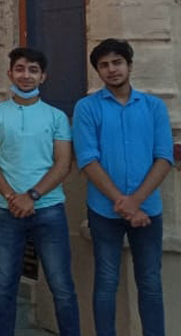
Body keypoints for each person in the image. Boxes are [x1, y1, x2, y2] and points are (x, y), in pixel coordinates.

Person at [74, 39, 172, 336]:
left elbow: (164, 157)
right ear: (98, 72)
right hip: (104, 211)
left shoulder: (154, 106)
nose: (111, 69)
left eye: (117, 62)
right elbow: (88, 160)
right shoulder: (86, 108)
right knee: (106, 281)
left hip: (148, 211)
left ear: (129, 65)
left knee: (151, 282)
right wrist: (123, 202)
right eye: (104, 65)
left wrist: (136, 202)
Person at [0, 47, 78, 336]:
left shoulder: (56, 116)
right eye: (20, 69)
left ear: (43, 76)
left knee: (61, 287)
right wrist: (12, 196)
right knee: (4, 286)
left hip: (48, 209)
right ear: (10, 73)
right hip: (5, 209)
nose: (26, 75)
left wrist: (31, 196)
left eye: (33, 70)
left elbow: (63, 164)